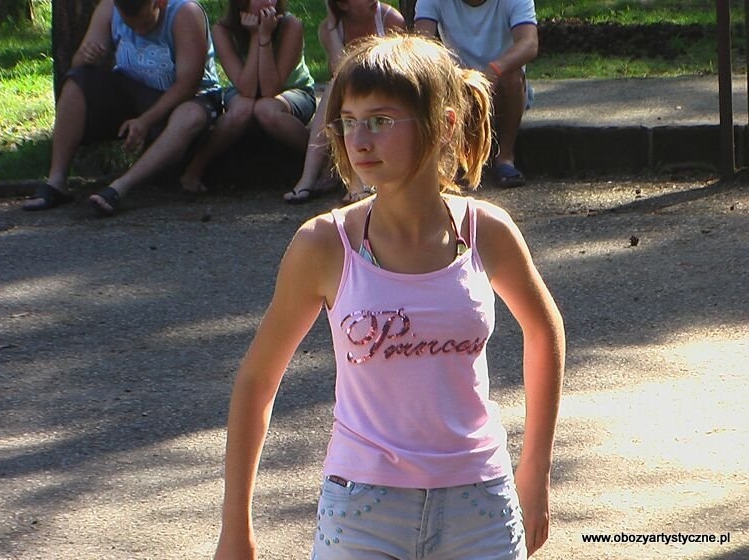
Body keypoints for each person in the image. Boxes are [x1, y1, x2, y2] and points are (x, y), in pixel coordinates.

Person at [215, 34, 565, 560]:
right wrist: (235, 526)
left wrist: (535, 468)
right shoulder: (324, 244)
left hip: (480, 505)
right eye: (348, 121)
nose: (359, 140)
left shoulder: (487, 231)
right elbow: (257, 380)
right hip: (361, 512)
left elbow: (544, 329)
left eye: (380, 120)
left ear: (443, 123)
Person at [22, 0, 222, 216]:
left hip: (185, 98)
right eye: (130, 25)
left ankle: (119, 188)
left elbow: (188, 85)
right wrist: (85, 57)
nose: (140, 31)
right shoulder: (108, 8)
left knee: (190, 116)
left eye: (145, 23)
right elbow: (78, 65)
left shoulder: (185, 13)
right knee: (75, 83)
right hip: (131, 89)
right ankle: (57, 181)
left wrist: (146, 120)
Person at [178, 0, 316, 193]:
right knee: (242, 109)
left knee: (266, 110)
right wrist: (254, 37)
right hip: (243, 90)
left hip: (292, 91)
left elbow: (270, 89)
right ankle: (195, 167)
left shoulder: (290, 25)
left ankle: (321, 160)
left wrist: (264, 37)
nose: (269, 2)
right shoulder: (223, 30)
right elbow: (247, 89)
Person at [283, 0, 405, 204]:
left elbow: (397, 68)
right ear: (343, 4)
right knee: (336, 88)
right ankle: (309, 178)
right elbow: (339, 69)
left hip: (388, 91)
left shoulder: (390, 18)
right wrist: (332, 27)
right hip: (351, 95)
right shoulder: (328, 29)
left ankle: (354, 183)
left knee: (343, 91)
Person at [414, 0, 539, 188]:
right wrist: (451, 75)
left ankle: (505, 158)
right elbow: (421, 45)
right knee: (431, 78)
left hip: (503, 85)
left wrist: (495, 70)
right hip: (459, 83)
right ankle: (455, 160)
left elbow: (529, 43)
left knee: (512, 77)